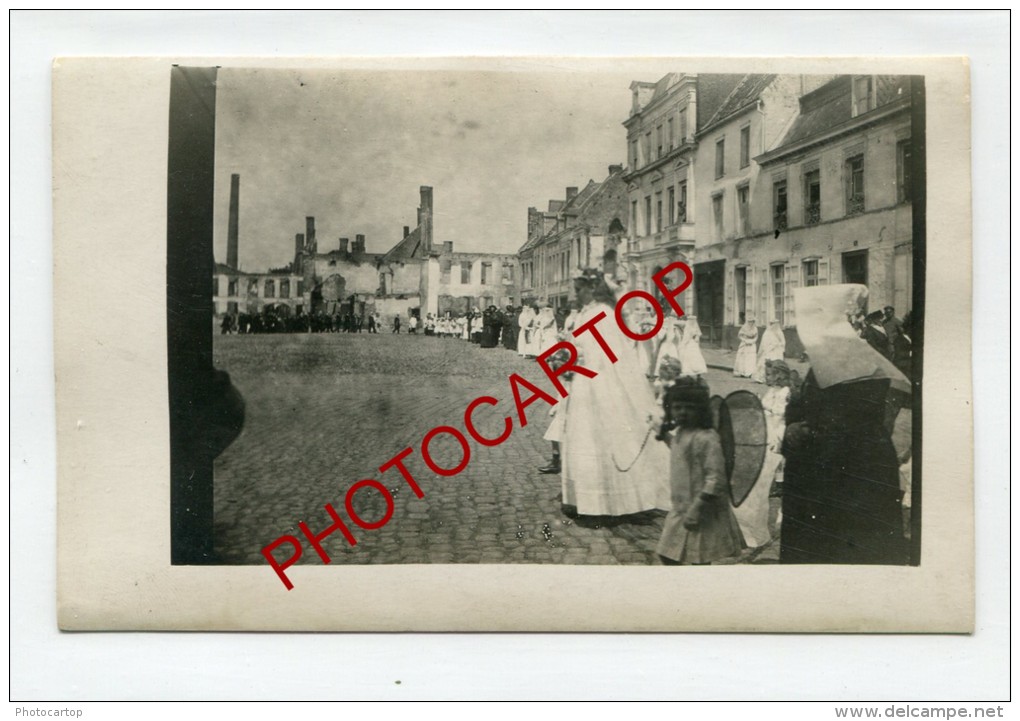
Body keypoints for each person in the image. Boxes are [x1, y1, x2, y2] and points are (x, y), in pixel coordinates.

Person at [780, 284, 909, 565]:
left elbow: (856, 425)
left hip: (848, 479)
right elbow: (805, 408)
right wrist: (793, 426)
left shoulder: (862, 365)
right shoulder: (824, 362)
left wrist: (807, 432)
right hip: (824, 473)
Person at [560, 270, 670, 518]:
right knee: (583, 437)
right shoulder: (584, 313)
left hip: (601, 383)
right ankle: (585, 501)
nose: (575, 294)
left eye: (578, 290)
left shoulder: (604, 315)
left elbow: (610, 355)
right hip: (582, 383)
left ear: (591, 288)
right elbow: (579, 345)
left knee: (602, 437)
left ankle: (609, 503)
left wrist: (581, 362)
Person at [655, 379, 746, 565]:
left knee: (699, 559)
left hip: (702, 510)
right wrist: (664, 435)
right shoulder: (683, 432)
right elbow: (681, 451)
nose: (682, 412)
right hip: (681, 508)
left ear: (701, 410)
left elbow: (715, 479)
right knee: (668, 555)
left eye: (689, 408)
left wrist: (696, 509)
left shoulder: (707, 438)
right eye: (677, 407)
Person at [732, 359, 792, 548]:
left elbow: (782, 413)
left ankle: (779, 483)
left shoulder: (784, 392)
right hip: (765, 428)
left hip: (777, 431)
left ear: (779, 375)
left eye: (770, 375)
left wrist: (764, 407)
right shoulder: (772, 390)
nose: (767, 378)